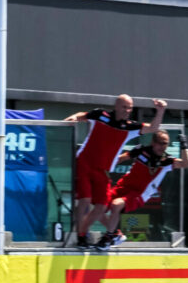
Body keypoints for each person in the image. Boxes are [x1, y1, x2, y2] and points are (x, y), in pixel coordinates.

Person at [65, 94, 167, 249]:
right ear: (116, 106)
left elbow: (153, 128)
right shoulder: (100, 115)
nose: (127, 111)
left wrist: (160, 111)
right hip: (84, 163)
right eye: (124, 107)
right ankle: (81, 237)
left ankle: (112, 233)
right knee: (85, 200)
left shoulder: (129, 127)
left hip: (103, 170)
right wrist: (71, 118)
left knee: (101, 206)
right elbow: (82, 116)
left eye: (130, 108)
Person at [96, 131, 188, 250]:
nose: (163, 146)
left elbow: (185, 164)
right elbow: (120, 159)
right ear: (153, 142)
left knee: (116, 205)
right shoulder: (141, 150)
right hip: (123, 186)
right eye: (160, 143)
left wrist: (184, 146)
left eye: (166, 144)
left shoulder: (166, 160)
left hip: (139, 194)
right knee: (98, 207)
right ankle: (115, 234)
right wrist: (101, 165)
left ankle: (108, 238)